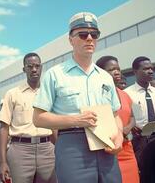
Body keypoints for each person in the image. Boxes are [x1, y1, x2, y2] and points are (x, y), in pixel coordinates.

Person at [33, 12, 123, 183]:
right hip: (72, 146)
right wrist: (76, 119)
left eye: (94, 34)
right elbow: (38, 118)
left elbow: (115, 115)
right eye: (83, 34)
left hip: (106, 145)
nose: (89, 38)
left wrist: (119, 135)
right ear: (70, 39)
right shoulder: (55, 75)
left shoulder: (105, 77)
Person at [0, 53, 56, 183]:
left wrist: (59, 151)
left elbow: (55, 126)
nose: (34, 69)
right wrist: (2, 162)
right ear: (24, 69)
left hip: (47, 149)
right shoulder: (12, 94)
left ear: (41, 68)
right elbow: (3, 128)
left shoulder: (50, 94)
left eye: (37, 66)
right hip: (20, 150)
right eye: (30, 66)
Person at [125, 56, 155, 183]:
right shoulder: (127, 94)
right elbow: (125, 117)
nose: (150, 71)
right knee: (145, 177)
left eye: (152, 68)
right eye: (146, 69)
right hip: (140, 141)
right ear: (135, 71)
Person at [96, 55, 139, 183]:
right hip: (109, 151)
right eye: (111, 69)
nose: (116, 72)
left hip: (128, 150)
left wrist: (127, 128)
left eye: (118, 69)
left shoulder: (124, 94)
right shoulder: (96, 95)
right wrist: (118, 133)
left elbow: (132, 117)